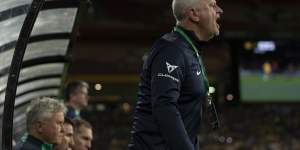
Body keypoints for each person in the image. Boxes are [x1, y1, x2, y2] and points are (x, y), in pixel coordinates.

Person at [128, 0, 223, 150]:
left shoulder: (188, 50)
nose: (219, 10)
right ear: (194, 14)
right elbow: (165, 107)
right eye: (212, 5)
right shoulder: (171, 50)